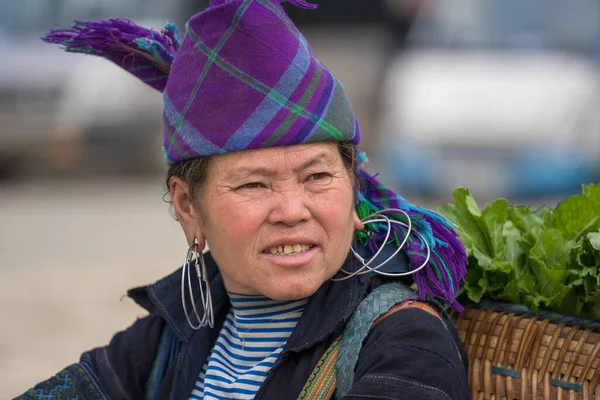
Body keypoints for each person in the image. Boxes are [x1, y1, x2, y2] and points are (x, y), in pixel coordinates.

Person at [17, 0, 470, 399]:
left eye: (317, 176)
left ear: (353, 190)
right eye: (254, 185)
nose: (293, 211)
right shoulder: (168, 338)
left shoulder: (405, 345)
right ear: (188, 208)